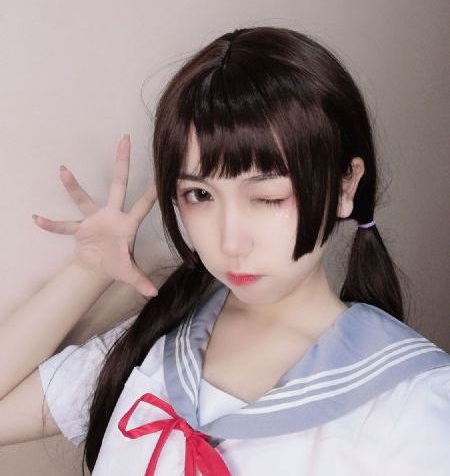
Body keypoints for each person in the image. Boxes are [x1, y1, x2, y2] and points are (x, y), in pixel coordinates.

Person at [0, 27, 449, 476]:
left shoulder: (414, 403)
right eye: (199, 195)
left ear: (346, 186)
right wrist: (89, 270)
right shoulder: (160, 335)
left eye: (268, 197)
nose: (230, 242)